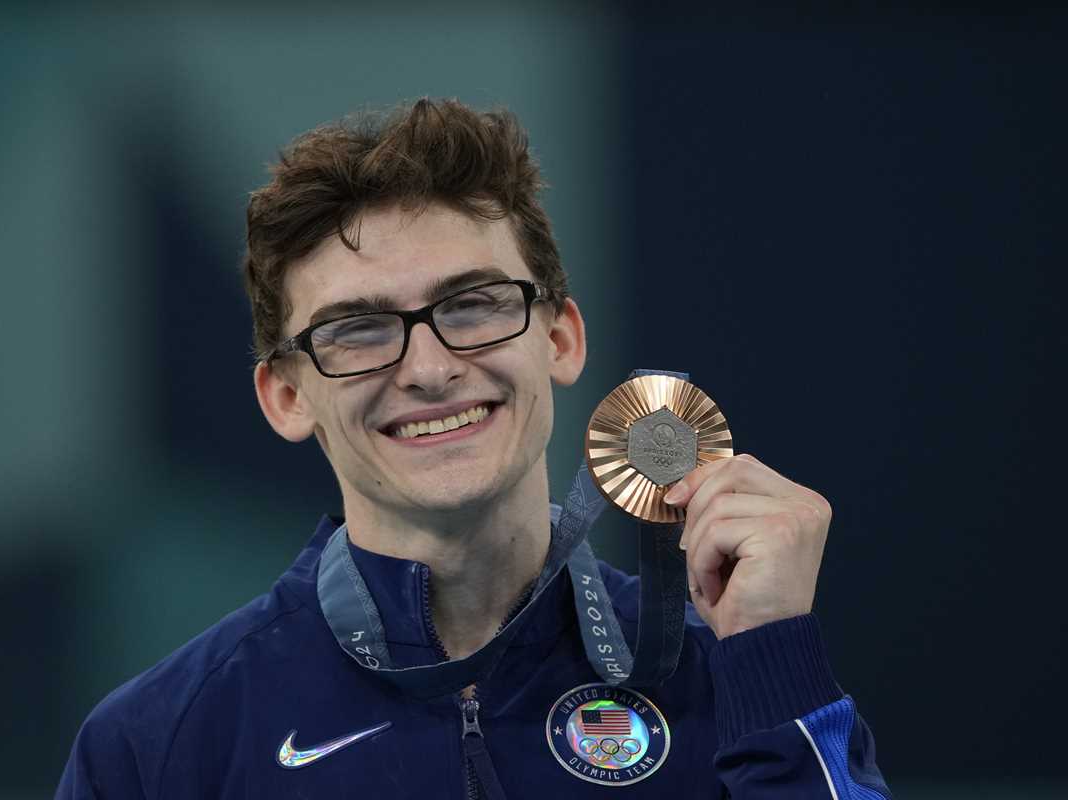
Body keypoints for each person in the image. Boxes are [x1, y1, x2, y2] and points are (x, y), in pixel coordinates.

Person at [56, 98, 891, 799]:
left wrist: (771, 656)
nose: (429, 369)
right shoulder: (160, 744)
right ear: (286, 396)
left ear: (560, 339)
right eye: (358, 329)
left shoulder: (726, 673)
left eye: (474, 305)